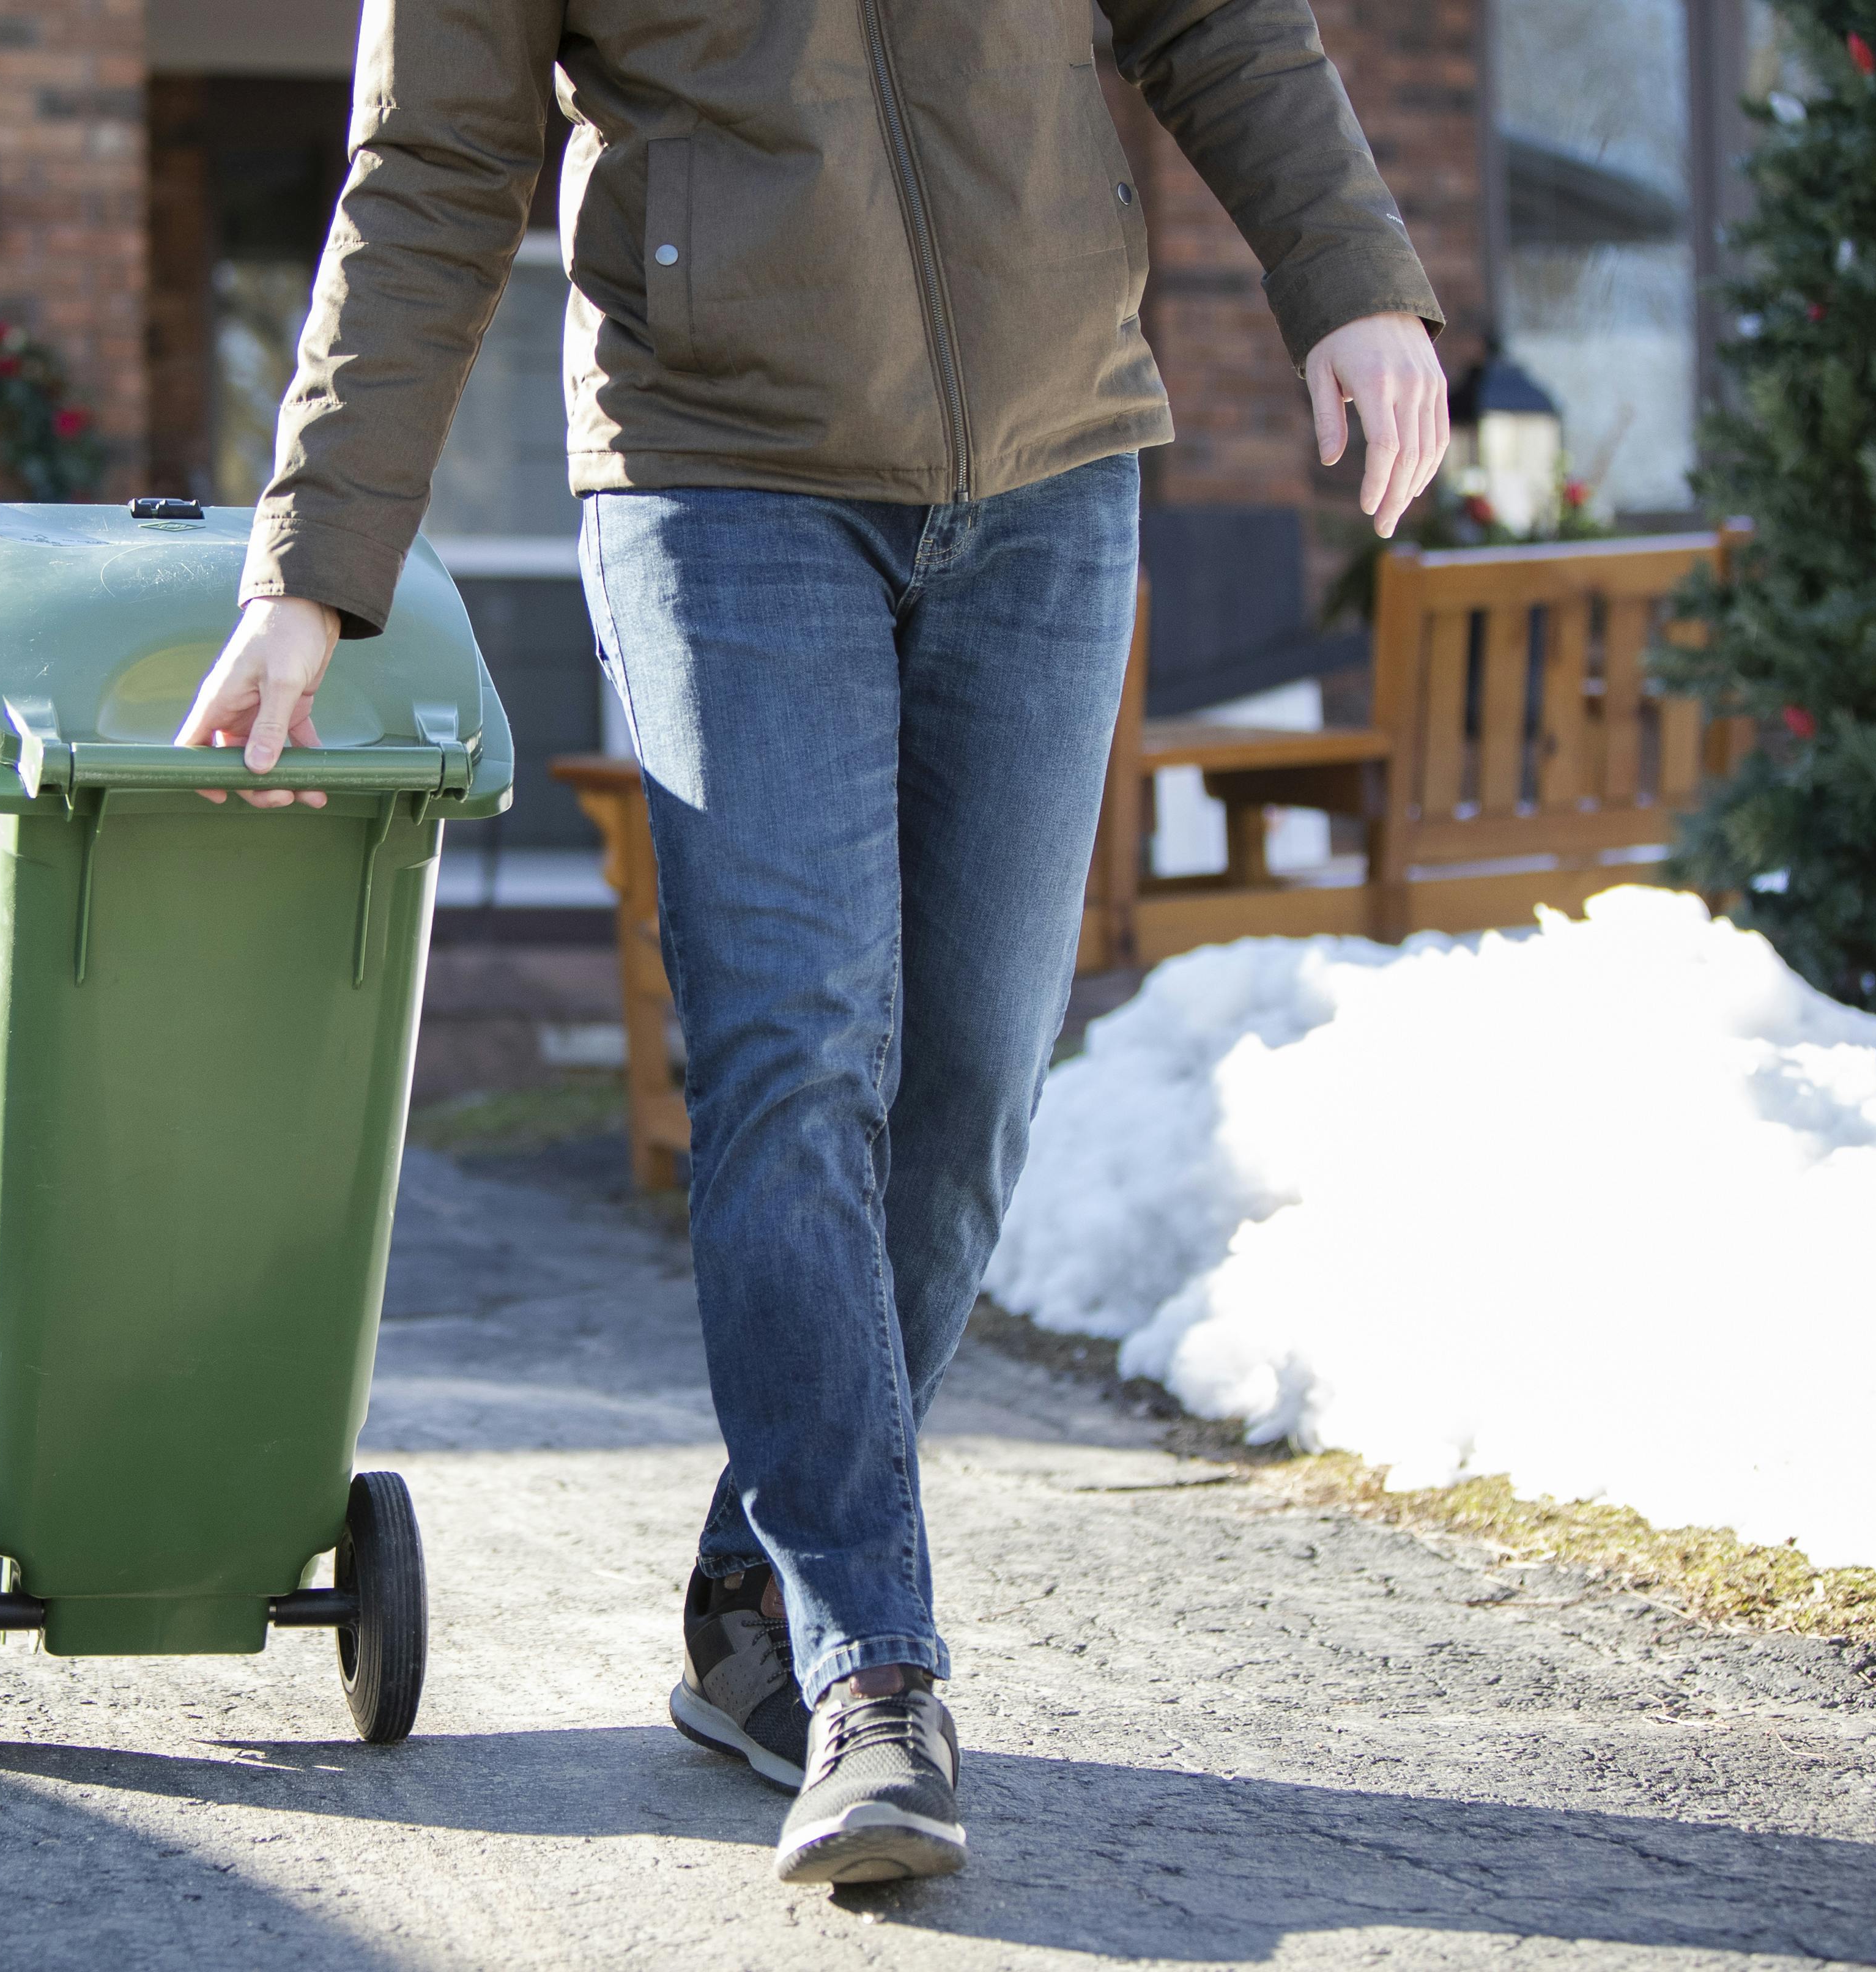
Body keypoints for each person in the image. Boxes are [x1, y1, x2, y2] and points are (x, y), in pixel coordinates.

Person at [177, 0, 1447, 1887]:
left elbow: (1214, 18)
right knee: (792, 1050)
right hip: (720, 478)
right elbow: (430, 165)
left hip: (1050, 453)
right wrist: (313, 569)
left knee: (970, 1077)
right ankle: (870, 1673)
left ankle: (749, 1600)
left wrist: (1349, 269)